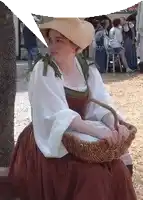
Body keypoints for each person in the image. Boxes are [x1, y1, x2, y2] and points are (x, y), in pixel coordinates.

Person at [8, 17, 136, 200]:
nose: (52, 46)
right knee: (92, 177)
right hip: (50, 141)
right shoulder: (44, 70)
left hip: (83, 141)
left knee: (119, 170)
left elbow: (100, 104)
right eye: (50, 40)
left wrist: (115, 125)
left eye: (59, 40)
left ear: (75, 46)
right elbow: (56, 114)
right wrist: (96, 131)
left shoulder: (87, 69)